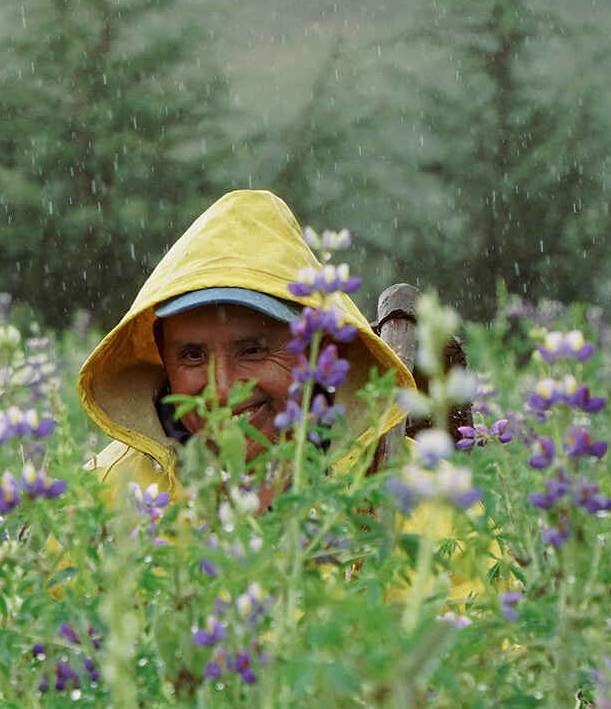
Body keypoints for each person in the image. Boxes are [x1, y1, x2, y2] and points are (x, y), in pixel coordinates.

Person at [76, 189, 415, 506]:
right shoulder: (100, 495)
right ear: (163, 359)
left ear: (319, 348)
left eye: (253, 350)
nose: (222, 391)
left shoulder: (418, 495)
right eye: (192, 356)